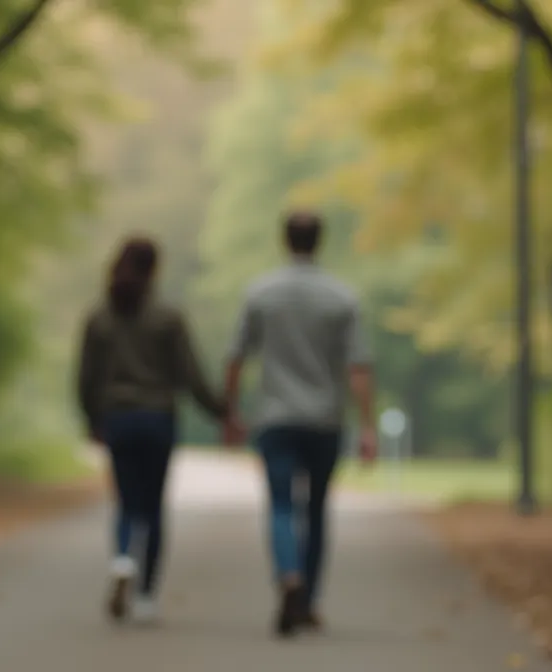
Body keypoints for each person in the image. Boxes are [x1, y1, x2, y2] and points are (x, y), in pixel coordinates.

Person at [223, 210, 378, 638]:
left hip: (275, 417)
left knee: (280, 505)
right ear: (320, 241)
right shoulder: (342, 297)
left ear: (285, 239)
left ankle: (288, 574)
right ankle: (308, 600)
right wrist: (367, 426)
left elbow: (236, 357)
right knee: (316, 509)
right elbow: (359, 366)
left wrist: (231, 411)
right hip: (325, 419)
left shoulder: (260, 293)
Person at [76, 236, 230, 626]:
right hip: (158, 418)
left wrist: (91, 419)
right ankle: (146, 594)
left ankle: (123, 558)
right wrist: (220, 411)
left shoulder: (99, 318)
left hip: (118, 418)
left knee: (126, 501)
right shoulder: (167, 318)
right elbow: (190, 373)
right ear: (154, 270)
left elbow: (85, 377)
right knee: (154, 506)